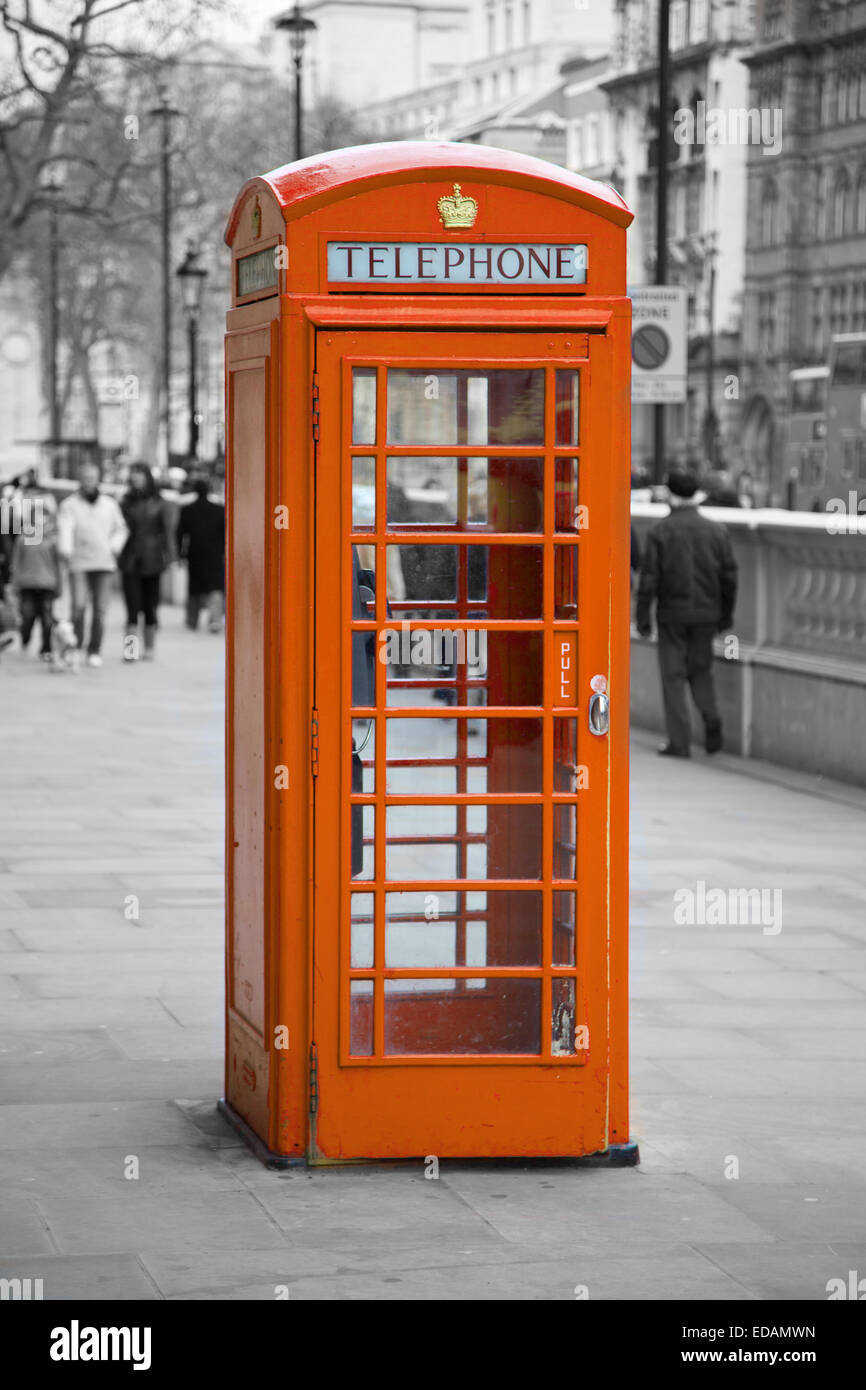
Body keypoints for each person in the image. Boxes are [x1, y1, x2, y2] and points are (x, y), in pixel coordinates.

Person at [636, 469, 738, 758]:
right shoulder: (717, 531)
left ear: (671, 495)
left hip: (672, 615)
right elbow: (730, 577)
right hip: (707, 615)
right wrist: (725, 615)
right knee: (701, 672)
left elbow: (649, 581)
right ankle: (711, 718)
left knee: (673, 677)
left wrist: (643, 620)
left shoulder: (660, 532)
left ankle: (679, 743)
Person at [57, 461, 128, 668]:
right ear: (79, 480)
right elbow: (65, 528)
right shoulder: (69, 505)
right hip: (78, 561)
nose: (89, 482)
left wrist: (114, 547)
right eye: (85, 478)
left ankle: (94, 649)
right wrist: (66, 549)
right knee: (78, 607)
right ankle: (75, 646)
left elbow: (121, 529)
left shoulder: (109, 504)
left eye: (92, 478)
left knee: (100, 609)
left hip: (104, 562)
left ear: (98, 479)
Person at [119, 463, 174, 661]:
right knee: (132, 607)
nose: (135, 479)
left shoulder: (160, 502)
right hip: (130, 558)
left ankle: (150, 647)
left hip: (153, 558)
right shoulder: (125, 502)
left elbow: (167, 532)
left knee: (151, 606)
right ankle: (131, 650)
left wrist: (171, 557)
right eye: (133, 475)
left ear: (147, 478)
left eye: (139, 475)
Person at [11, 473, 60, 659]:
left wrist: (59, 586)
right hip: (27, 584)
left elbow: (58, 566)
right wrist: (13, 585)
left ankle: (46, 649)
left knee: (48, 620)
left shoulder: (53, 540)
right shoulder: (23, 539)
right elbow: (16, 563)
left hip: (47, 584)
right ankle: (25, 638)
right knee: (28, 617)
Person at [176, 477, 225, 632]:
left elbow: (180, 534)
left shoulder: (187, 510)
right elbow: (225, 534)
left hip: (195, 553)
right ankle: (215, 620)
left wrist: (180, 554)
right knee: (215, 586)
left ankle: (192, 620)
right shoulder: (219, 510)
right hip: (215, 553)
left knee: (194, 588)